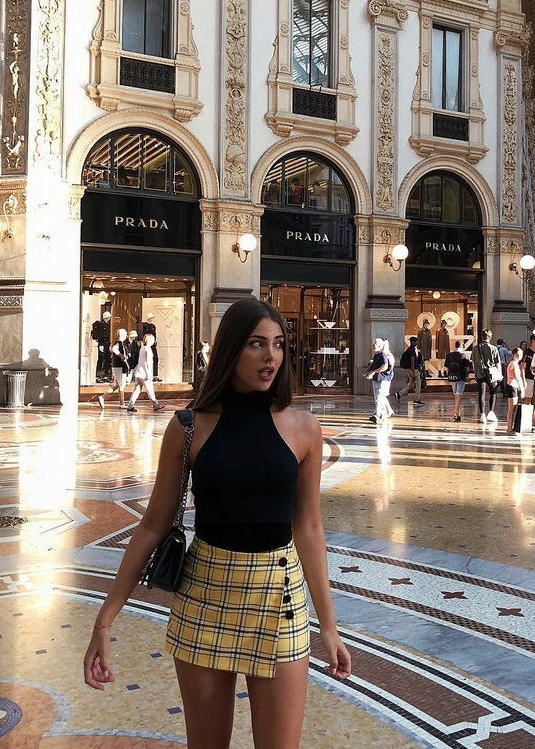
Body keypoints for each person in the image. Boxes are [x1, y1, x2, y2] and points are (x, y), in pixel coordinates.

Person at [83, 298, 351, 747]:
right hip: (204, 593)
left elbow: (309, 529)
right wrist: (105, 619)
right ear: (230, 350)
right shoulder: (190, 427)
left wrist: (328, 625)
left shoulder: (303, 427)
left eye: (279, 345)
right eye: (256, 344)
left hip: (278, 595)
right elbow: (152, 525)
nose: (271, 357)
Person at [94, 328, 133, 410]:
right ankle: (121, 403)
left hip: (117, 366)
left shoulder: (121, 343)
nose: (126, 335)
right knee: (122, 385)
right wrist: (121, 356)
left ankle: (103, 398)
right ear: (122, 335)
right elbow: (114, 349)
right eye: (125, 334)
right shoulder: (119, 343)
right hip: (119, 366)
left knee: (117, 385)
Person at [127, 333, 165, 412]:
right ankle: (156, 404)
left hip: (139, 372)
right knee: (150, 389)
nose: (154, 341)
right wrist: (149, 374)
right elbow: (147, 363)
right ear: (149, 340)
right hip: (144, 373)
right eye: (153, 339)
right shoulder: (148, 349)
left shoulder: (142, 348)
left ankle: (130, 405)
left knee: (137, 390)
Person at [472, 328, 502, 423]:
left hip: (480, 373)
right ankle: (491, 412)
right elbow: (497, 363)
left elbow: (473, 361)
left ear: (481, 337)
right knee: (493, 392)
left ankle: (482, 415)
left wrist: (475, 372)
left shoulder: (475, 348)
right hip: (491, 374)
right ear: (490, 337)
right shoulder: (493, 348)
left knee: (481, 394)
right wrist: (500, 375)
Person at [365, 337, 394, 424]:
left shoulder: (384, 355)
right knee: (379, 397)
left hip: (383, 379)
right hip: (377, 379)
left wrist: (373, 371)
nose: (373, 347)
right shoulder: (377, 355)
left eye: (375, 345)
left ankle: (377, 415)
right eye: (373, 345)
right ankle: (386, 412)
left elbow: (385, 367)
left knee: (379, 397)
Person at [444, 340, 468, 422]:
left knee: (455, 395)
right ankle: (456, 413)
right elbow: (467, 367)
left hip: (452, 377)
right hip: (461, 377)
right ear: (462, 346)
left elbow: (446, 367)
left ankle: (456, 412)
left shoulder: (449, 355)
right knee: (459, 395)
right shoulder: (463, 355)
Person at [395, 336, 422, 407]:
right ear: (412, 342)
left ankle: (399, 394)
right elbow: (412, 360)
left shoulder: (408, 349)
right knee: (418, 384)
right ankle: (417, 399)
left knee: (410, 385)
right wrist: (413, 370)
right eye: (416, 341)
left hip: (409, 369)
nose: (416, 343)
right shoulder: (412, 350)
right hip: (413, 370)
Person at [505, 347, 524, 434]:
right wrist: (522, 388)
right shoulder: (514, 364)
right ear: (515, 355)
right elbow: (518, 377)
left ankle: (510, 427)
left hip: (512, 386)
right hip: (512, 386)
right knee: (511, 409)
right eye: (519, 354)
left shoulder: (513, 363)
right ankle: (509, 428)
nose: (520, 356)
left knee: (512, 408)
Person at [521, 333, 535, 403]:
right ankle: (528, 414)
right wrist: (523, 380)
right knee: (528, 399)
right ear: (533, 341)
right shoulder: (526, 353)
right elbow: (522, 367)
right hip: (528, 379)